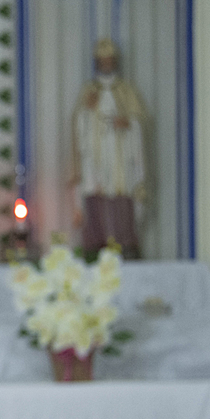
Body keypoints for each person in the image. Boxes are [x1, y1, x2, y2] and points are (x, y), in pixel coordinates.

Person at [70, 37, 149, 258]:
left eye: (109, 61)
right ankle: (96, 247)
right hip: (95, 158)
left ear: (115, 62)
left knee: (120, 197)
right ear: (97, 63)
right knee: (95, 196)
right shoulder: (88, 91)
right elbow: (78, 124)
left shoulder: (126, 91)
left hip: (119, 155)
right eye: (102, 61)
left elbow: (139, 122)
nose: (106, 65)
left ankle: (126, 246)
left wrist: (129, 123)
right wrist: (87, 110)